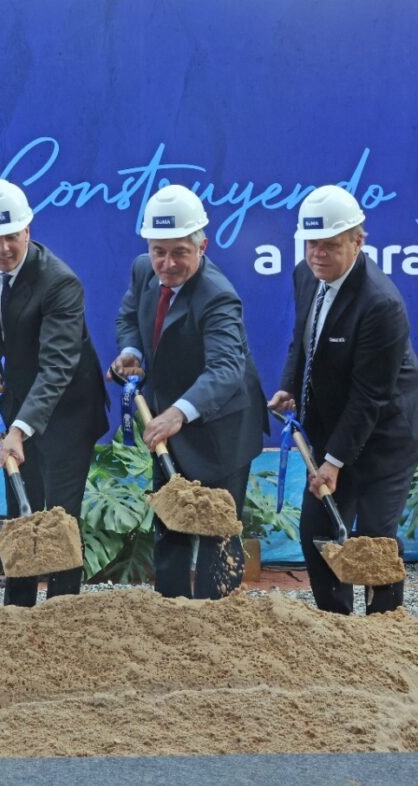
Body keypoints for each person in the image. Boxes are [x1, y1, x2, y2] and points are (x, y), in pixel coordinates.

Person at [110, 184, 266, 600]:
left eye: (180, 252)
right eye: (159, 251)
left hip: (221, 429)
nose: (168, 263)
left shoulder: (218, 296)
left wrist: (178, 413)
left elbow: (227, 369)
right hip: (168, 421)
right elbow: (129, 316)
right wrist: (131, 351)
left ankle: (216, 623)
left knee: (217, 534)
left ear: (202, 247)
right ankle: (172, 615)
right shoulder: (144, 269)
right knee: (170, 524)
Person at [268, 186, 418, 615]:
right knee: (317, 531)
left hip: (386, 437)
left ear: (358, 240)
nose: (318, 254)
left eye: (330, 245)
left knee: (373, 540)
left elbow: (369, 396)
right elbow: (303, 340)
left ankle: (383, 630)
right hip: (335, 427)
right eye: (311, 243)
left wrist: (332, 462)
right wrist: (290, 386)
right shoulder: (306, 274)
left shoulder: (381, 303)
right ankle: (335, 626)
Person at [0, 179, 108, 606]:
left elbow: (57, 367)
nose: (3, 248)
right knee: (20, 513)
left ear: (28, 229)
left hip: (69, 410)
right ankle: (18, 610)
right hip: (19, 399)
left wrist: (19, 430)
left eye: (12, 236)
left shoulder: (60, 283)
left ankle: (62, 614)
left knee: (61, 518)